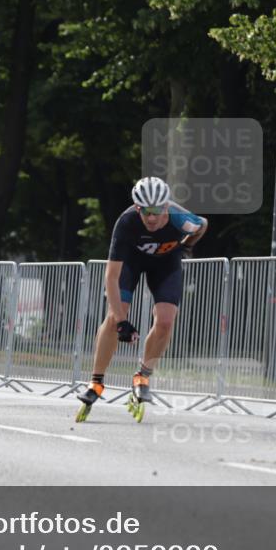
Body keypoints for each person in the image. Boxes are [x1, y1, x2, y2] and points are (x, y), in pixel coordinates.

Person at [76, 176, 208, 417]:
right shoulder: (126, 223)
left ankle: (143, 376)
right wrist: (122, 320)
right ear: (137, 208)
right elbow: (112, 277)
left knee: (166, 320)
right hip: (131, 264)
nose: (150, 217)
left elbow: (202, 225)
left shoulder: (181, 219)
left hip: (166, 264)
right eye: (145, 211)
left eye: (156, 211)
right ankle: (95, 382)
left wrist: (186, 245)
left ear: (166, 207)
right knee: (114, 317)